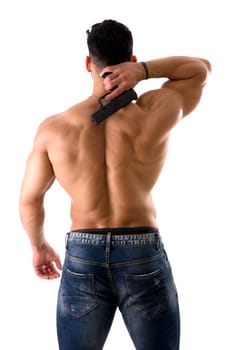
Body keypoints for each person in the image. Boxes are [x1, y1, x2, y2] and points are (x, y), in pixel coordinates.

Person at [19, 19, 211, 350]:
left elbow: (30, 199)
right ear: (132, 61)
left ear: (88, 64)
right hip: (141, 248)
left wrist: (39, 246)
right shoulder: (156, 110)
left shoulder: (54, 129)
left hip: (83, 251)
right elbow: (200, 69)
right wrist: (146, 71)